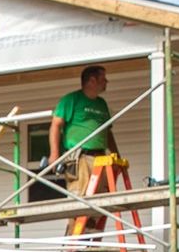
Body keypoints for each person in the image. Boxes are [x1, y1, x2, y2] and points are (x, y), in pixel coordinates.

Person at [44, 64, 123, 195]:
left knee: (99, 200)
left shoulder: (102, 104)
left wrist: (116, 156)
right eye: (103, 78)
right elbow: (56, 126)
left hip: (101, 157)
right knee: (81, 198)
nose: (106, 82)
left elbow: (107, 132)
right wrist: (54, 154)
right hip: (80, 158)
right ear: (92, 80)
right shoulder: (71, 100)